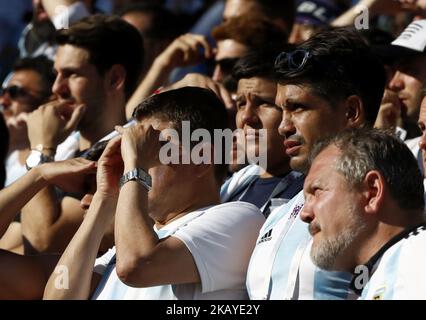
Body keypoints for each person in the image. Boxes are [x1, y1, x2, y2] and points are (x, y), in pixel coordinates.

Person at [43, 87, 265, 300]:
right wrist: (104, 196)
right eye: (134, 150)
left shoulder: (241, 218)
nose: (133, 158)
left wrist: (135, 166)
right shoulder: (128, 243)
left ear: (202, 159)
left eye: (150, 148)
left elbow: (135, 266)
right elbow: (59, 294)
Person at [246, 27, 386, 299]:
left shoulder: (392, 206)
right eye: (281, 109)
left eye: (297, 108)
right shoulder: (278, 215)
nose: (283, 127)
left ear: (351, 112)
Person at [20, 14, 144, 254]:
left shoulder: (121, 158)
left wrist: (40, 149)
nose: (57, 88)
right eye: (56, 74)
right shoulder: (64, 146)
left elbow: (42, 242)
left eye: (71, 74)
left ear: (115, 79)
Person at [301, 128, 426, 299]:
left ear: (372, 192)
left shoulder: (416, 257)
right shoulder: (390, 269)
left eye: (317, 191)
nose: (304, 214)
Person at [221, 49, 304, 216]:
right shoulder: (235, 183)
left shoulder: (311, 189)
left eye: (263, 103)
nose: (246, 117)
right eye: (242, 104)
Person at [0, 56, 56, 187]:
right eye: (3, 92)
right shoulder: (10, 154)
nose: (3, 101)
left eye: (15, 92)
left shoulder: (65, 151)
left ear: (49, 102)